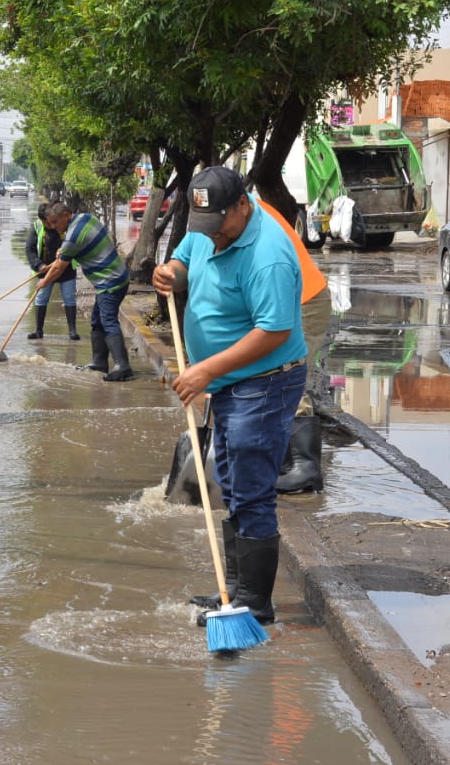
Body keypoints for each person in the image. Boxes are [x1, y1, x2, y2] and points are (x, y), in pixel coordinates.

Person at [151, 165, 307, 627]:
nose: (213, 236)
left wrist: (206, 371)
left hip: (265, 381)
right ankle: (233, 592)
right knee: (233, 481)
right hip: (228, 383)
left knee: (251, 490)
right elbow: (185, 258)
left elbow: (274, 331)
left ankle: (255, 606)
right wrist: (171, 274)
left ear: (243, 204)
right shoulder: (208, 227)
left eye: (221, 226)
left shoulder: (268, 254)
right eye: (206, 228)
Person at [39, 201, 131, 380]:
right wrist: (63, 251)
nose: (53, 226)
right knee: (97, 319)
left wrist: (43, 282)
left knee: (108, 320)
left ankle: (122, 365)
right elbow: (72, 249)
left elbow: (59, 268)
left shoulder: (72, 237)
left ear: (66, 215)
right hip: (115, 277)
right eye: (50, 223)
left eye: (55, 221)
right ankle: (99, 361)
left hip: (110, 281)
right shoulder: (85, 218)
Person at [25, 203, 79, 341]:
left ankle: (72, 331)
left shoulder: (63, 225)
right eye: (47, 223)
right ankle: (38, 330)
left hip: (65, 268)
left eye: (52, 222)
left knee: (69, 298)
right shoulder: (37, 227)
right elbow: (30, 249)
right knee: (41, 297)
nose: (51, 226)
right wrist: (38, 265)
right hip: (45, 271)